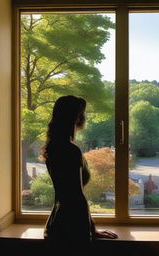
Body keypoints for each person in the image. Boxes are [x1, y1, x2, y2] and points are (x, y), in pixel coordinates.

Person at [42, 95, 117, 254]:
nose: (85, 117)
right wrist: (92, 229)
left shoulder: (54, 146)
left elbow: (66, 195)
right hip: (71, 230)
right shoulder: (70, 151)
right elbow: (76, 196)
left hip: (57, 225)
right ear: (75, 117)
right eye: (82, 112)